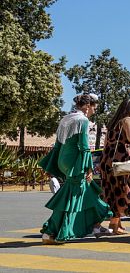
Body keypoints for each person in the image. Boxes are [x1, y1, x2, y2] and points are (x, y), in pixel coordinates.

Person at [39, 94, 112, 244]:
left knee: (78, 194)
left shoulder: (66, 118)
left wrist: (51, 165)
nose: (94, 110)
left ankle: (94, 225)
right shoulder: (83, 120)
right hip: (75, 162)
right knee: (73, 198)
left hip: (63, 160)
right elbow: (84, 146)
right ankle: (54, 232)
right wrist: (89, 168)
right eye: (93, 108)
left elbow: (58, 144)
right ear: (86, 106)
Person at [99, 99, 130, 235]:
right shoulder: (128, 120)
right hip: (122, 160)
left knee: (111, 191)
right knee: (122, 191)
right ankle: (113, 224)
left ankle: (117, 224)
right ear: (127, 110)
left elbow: (105, 144)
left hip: (108, 160)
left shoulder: (113, 123)